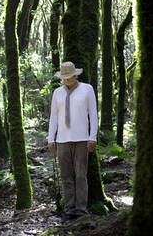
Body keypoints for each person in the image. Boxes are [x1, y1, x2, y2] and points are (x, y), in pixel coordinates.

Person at [47, 61, 98, 223]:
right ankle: (69, 209)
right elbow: (53, 117)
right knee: (66, 176)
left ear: (75, 75)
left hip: (82, 139)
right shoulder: (57, 93)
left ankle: (81, 210)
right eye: (64, 77)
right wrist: (51, 138)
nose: (67, 79)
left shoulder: (87, 89)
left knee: (81, 175)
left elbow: (94, 114)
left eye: (69, 76)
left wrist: (93, 136)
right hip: (62, 140)